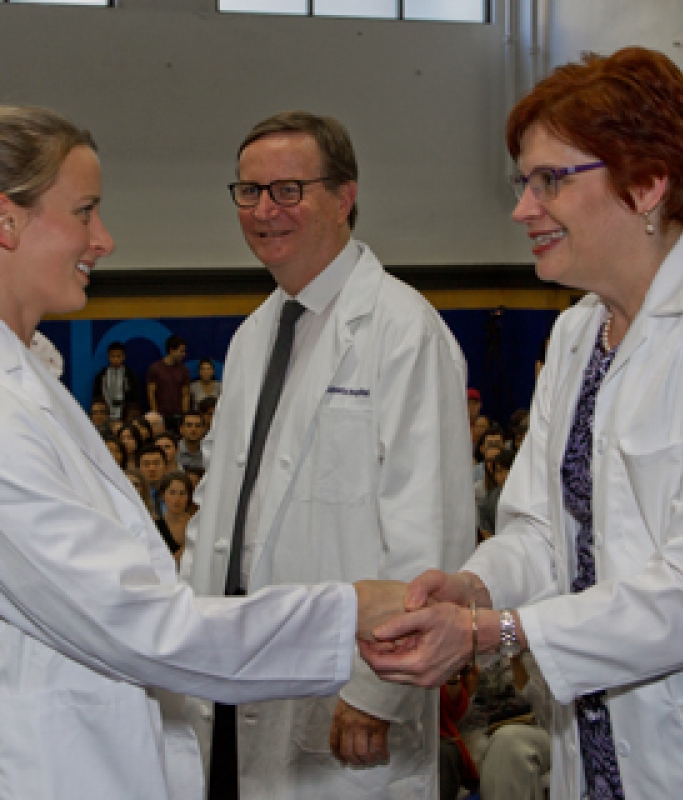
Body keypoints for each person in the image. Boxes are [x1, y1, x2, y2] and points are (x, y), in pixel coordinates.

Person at [0, 104, 405, 800]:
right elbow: (140, 625)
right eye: (85, 212)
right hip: (7, 770)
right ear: (5, 223)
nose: (105, 239)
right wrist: (351, 612)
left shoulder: (8, 380)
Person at [360, 47, 683, 799]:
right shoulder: (580, 335)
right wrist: (474, 590)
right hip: (604, 745)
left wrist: (497, 634)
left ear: (647, 183)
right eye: (524, 182)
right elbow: (544, 531)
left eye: (550, 180)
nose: (522, 209)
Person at [182, 110, 475, 800]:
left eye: (289, 190)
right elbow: (221, 517)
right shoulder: (255, 335)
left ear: (344, 197)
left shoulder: (404, 332)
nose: (264, 211)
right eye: (249, 192)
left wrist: (379, 692)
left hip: (350, 696)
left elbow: (429, 532)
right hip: (234, 681)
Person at [91, 341, 142, 421]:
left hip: (125, 414)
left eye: (118, 356)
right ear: (108, 357)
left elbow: (135, 396)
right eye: (113, 356)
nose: (115, 359)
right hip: (106, 413)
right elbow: (96, 395)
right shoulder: (101, 375)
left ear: (123, 357)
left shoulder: (130, 376)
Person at [146, 335, 191, 422]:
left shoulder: (184, 370)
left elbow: (185, 395)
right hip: (161, 415)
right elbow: (151, 393)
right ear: (172, 350)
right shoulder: (155, 368)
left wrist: (185, 415)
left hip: (178, 415)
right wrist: (155, 414)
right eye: (181, 351)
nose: (183, 354)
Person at [155, 471, 192, 562]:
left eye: (182, 493)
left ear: (189, 497)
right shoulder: (154, 528)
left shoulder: (197, 525)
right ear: (163, 495)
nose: (177, 499)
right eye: (172, 493)